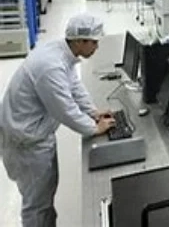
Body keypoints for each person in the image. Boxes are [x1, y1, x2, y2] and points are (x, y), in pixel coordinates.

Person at [0, 13, 116, 227]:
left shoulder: (62, 53)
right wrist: (94, 128)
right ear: (80, 41)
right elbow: (65, 110)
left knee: (44, 198)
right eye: (94, 42)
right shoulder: (51, 67)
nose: (97, 47)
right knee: (37, 205)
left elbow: (74, 86)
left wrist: (93, 112)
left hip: (34, 133)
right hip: (26, 143)